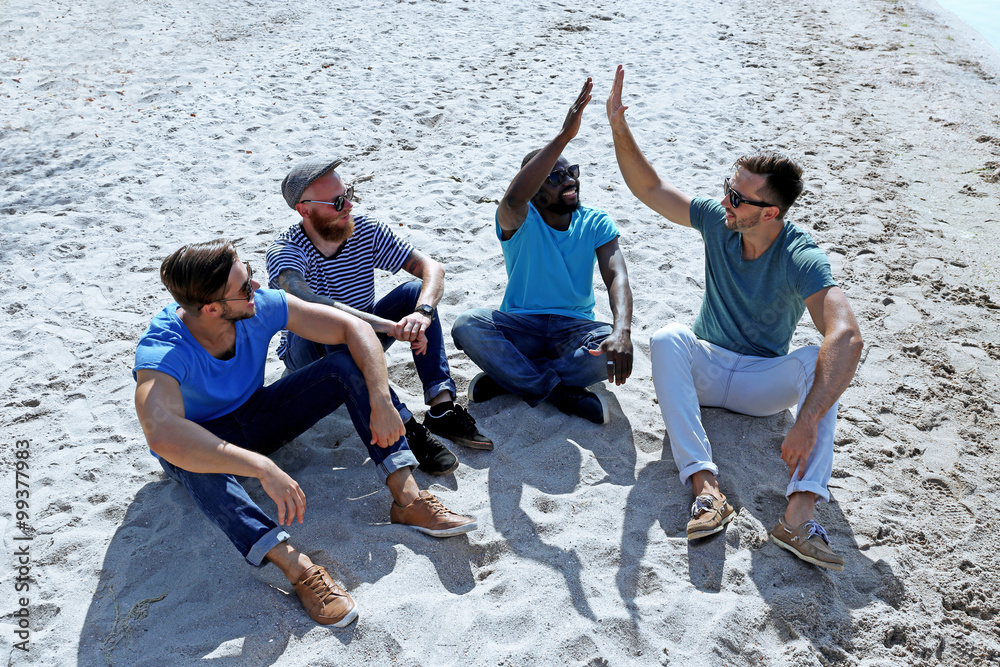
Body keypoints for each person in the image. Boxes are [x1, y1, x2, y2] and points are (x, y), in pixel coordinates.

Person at [133, 240, 476, 627]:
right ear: (211, 308)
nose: (258, 288)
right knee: (193, 462)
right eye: (245, 287)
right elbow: (162, 435)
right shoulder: (164, 348)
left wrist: (381, 399)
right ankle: (298, 568)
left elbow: (353, 327)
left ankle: (408, 500)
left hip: (257, 415)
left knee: (343, 365)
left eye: (249, 273)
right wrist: (261, 467)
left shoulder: (256, 306)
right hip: (203, 442)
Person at [606, 65, 863, 570]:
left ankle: (799, 515)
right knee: (668, 336)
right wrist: (618, 125)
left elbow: (848, 335)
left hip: (762, 386)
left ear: (770, 212)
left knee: (820, 356)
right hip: (706, 368)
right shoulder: (719, 222)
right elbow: (652, 189)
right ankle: (706, 490)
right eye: (729, 188)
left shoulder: (799, 255)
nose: (726, 201)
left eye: (739, 198)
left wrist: (806, 420)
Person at [266, 159, 493, 473]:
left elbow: (432, 269)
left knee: (415, 290)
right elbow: (309, 303)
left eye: (349, 193)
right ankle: (404, 427)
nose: (349, 204)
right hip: (309, 352)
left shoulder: (365, 229)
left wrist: (422, 314)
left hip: (366, 333)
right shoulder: (286, 250)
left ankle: (441, 408)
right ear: (304, 210)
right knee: (335, 328)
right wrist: (388, 326)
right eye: (337, 201)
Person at [451, 77, 634, 425]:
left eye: (572, 172)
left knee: (609, 352)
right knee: (467, 325)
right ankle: (557, 391)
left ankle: (512, 377)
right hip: (520, 327)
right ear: (536, 192)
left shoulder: (595, 221)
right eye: (555, 177)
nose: (569, 180)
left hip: (575, 330)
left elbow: (617, 277)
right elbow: (514, 197)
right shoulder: (518, 219)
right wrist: (565, 135)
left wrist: (621, 331)